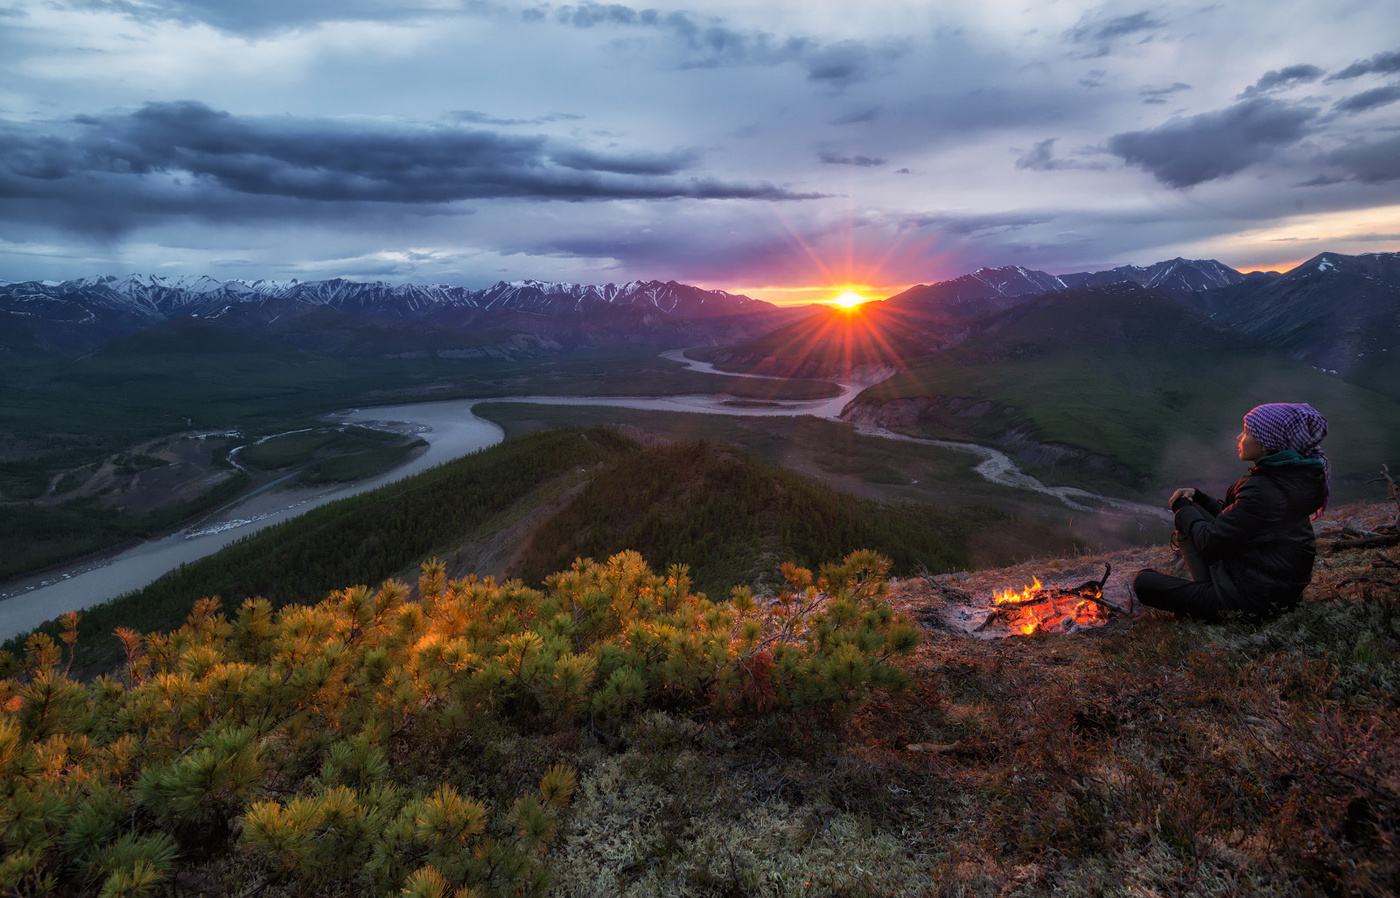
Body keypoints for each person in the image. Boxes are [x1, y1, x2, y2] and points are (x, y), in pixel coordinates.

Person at [1133, 403, 1329, 622]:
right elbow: (1240, 522)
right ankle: (1208, 587)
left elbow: (1208, 540)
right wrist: (1200, 499)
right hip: (1277, 590)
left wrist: (1181, 508)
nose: (1239, 437)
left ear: (1266, 443)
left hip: (1250, 601)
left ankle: (1207, 596)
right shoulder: (1288, 478)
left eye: (1246, 431)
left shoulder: (1262, 490)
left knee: (1144, 582)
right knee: (1195, 511)